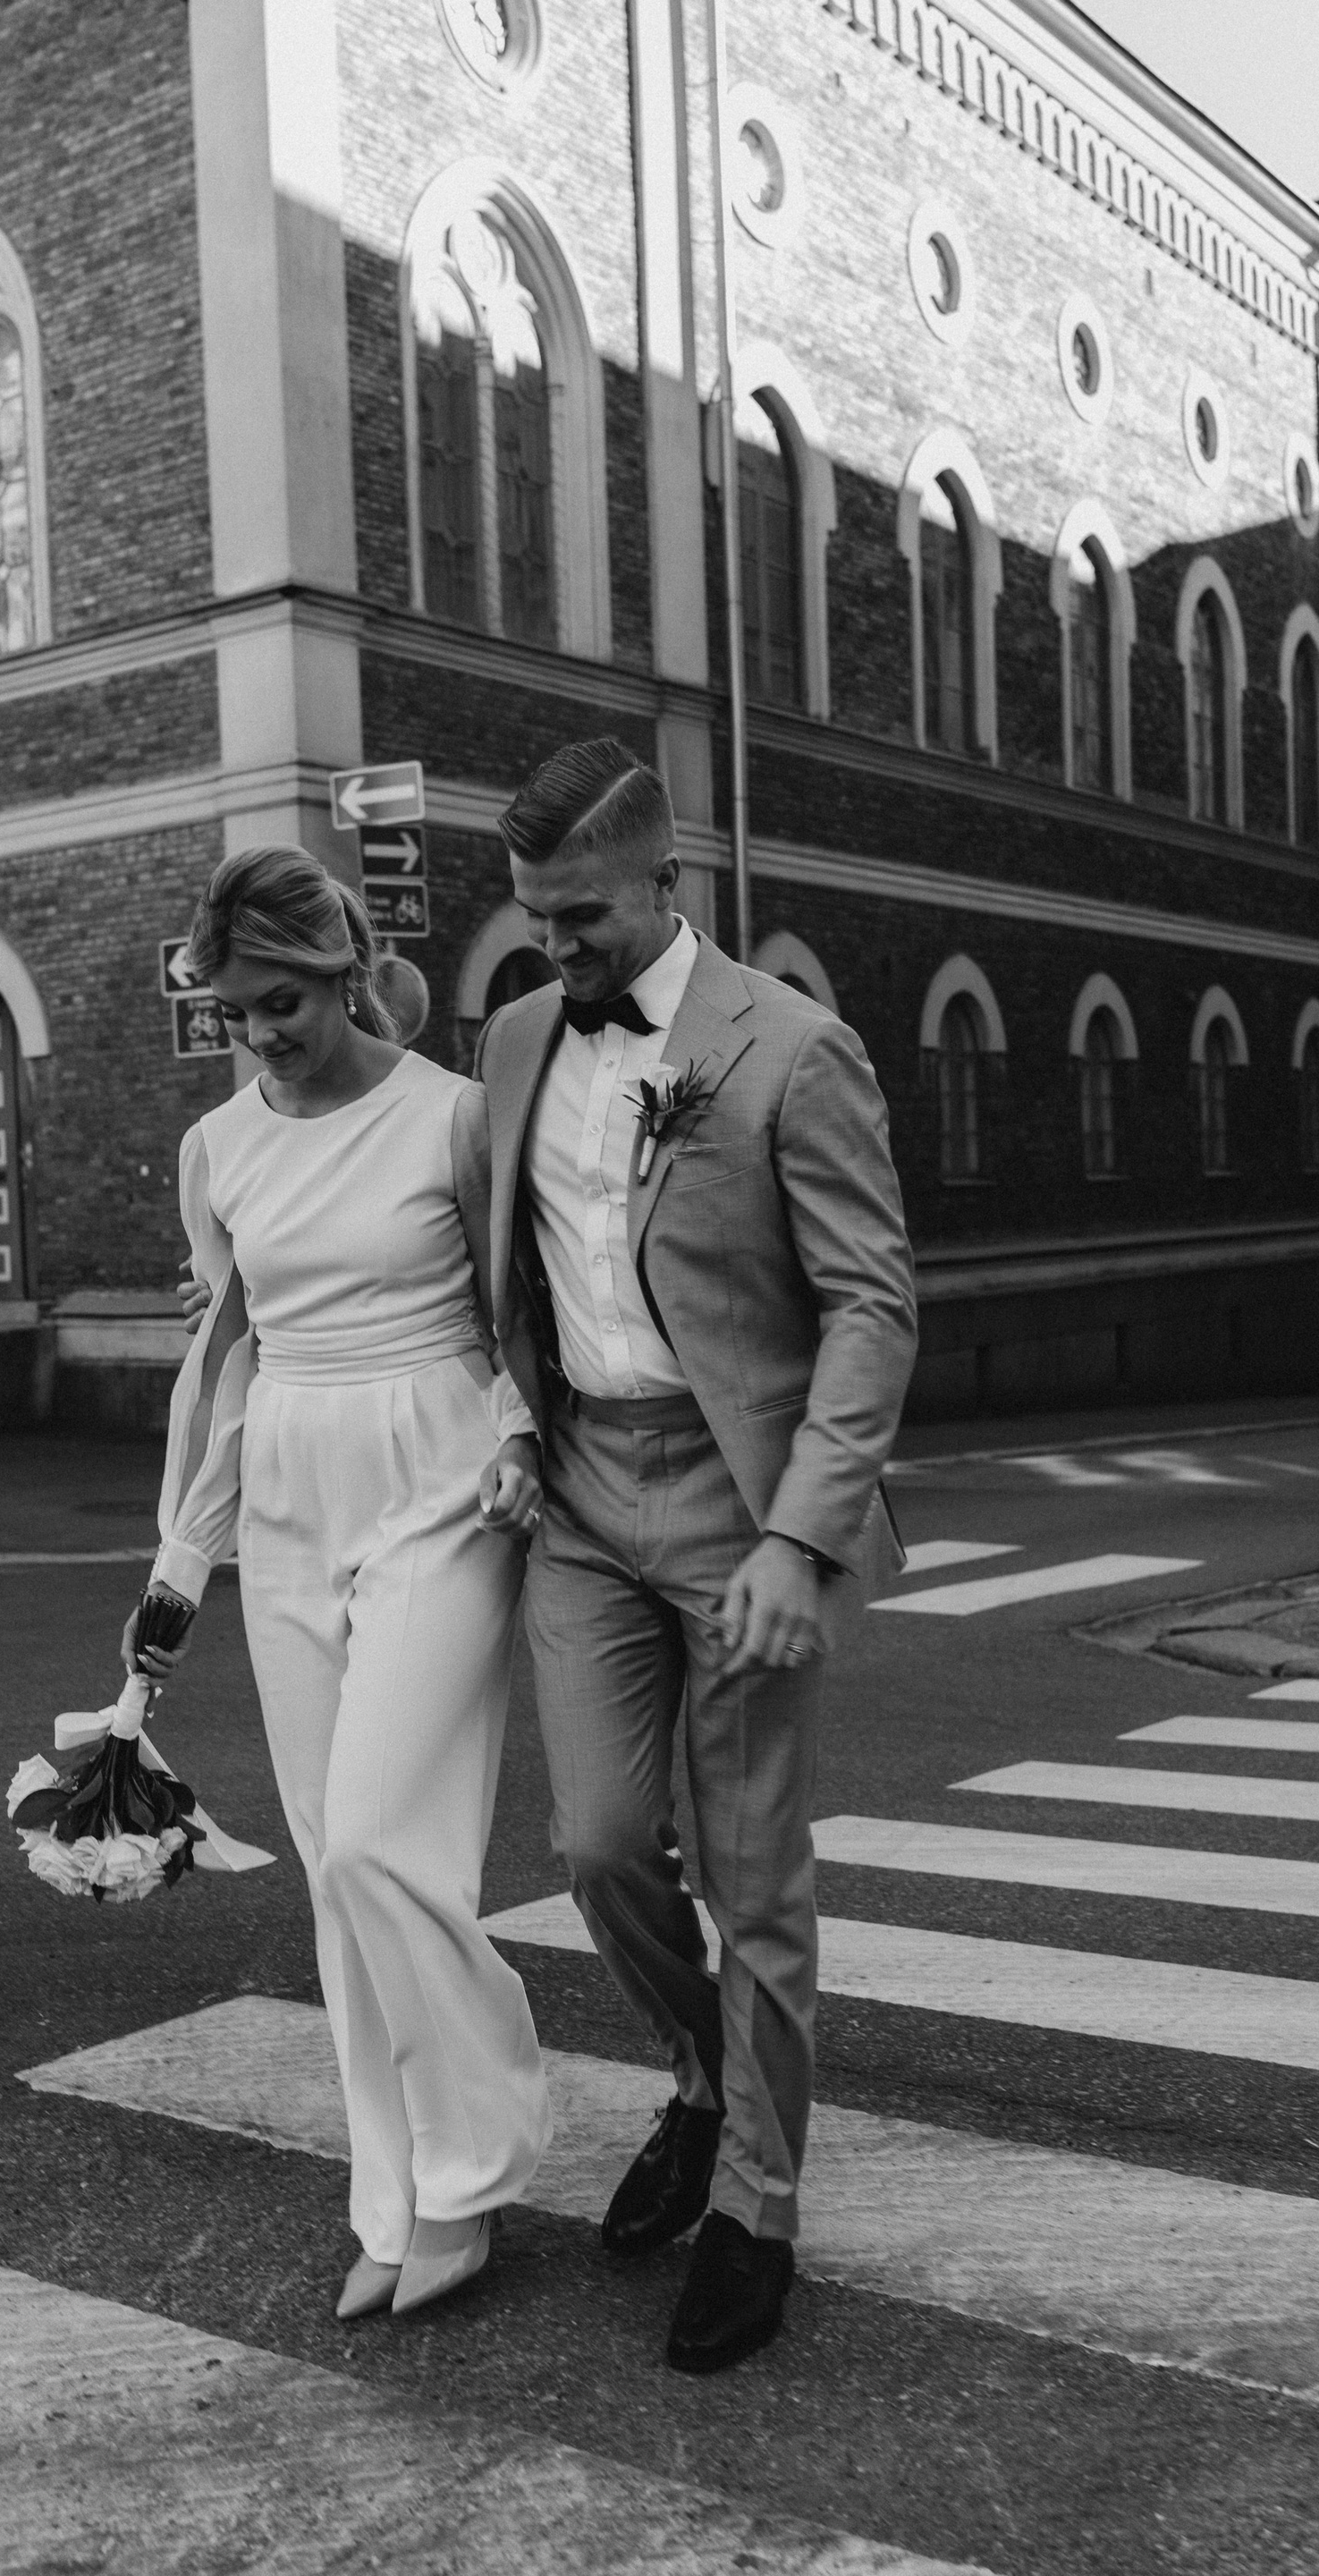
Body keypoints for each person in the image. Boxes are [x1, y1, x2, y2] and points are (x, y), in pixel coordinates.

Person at [477, 738, 917, 2374]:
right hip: (585, 1495)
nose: (556, 948)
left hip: (746, 1507)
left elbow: (872, 1306)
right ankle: (706, 2079)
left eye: (582, 916)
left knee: (753, 1877)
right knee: (596, 1842)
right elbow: (477, 1253)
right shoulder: (514, 1038)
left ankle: (756, 2209)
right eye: (535, 917)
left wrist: (805, 1536)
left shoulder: (792, 1048)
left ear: (668, 880)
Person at [129, 843, 552, 2324]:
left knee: (382, 1842)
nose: (262, 1035)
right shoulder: (218, 1148)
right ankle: (395, 2194)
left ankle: (475, 2160)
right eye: (235, 1012)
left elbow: (517, 1310)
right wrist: (181, 1560)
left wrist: (522, 1431)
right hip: (290, 1489)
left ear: (348, 971)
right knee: (332, 1870)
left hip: (442, 1473)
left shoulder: (455, 1116)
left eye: (284, 1003)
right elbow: (225, 1357)